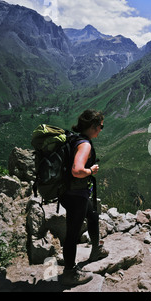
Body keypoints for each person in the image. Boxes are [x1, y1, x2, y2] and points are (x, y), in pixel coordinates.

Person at [60, 109, 109, 286]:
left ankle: (96, 249)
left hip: (68, 192)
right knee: (72, 234)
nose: (101, 130)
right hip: (76, 195)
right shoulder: (85, 145)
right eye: (101, 126)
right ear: (93, 127)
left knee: (93, 214)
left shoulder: (73, 138)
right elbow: (77, 170)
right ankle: (69, 273)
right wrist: (90, 171)